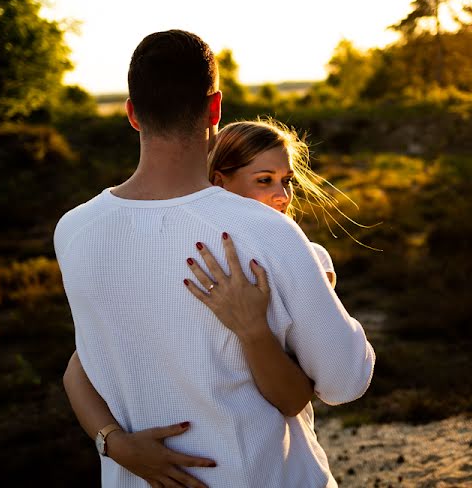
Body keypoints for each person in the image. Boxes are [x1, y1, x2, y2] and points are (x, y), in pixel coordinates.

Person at [55, 30, 375, 488]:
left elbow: (83, 363)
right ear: (215, 109)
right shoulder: (266, 232)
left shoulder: (73, 231)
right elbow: (345, 381)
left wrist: (111, 442)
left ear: (132, 114)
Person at [63, 118, 345, 464]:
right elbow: (79, 365)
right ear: (219, 182)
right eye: (264, 180)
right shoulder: (183, 254)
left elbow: (300, 393)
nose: (283, 196)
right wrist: (114, 443)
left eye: (287, 181)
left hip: (262, 460)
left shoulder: (306, 256)